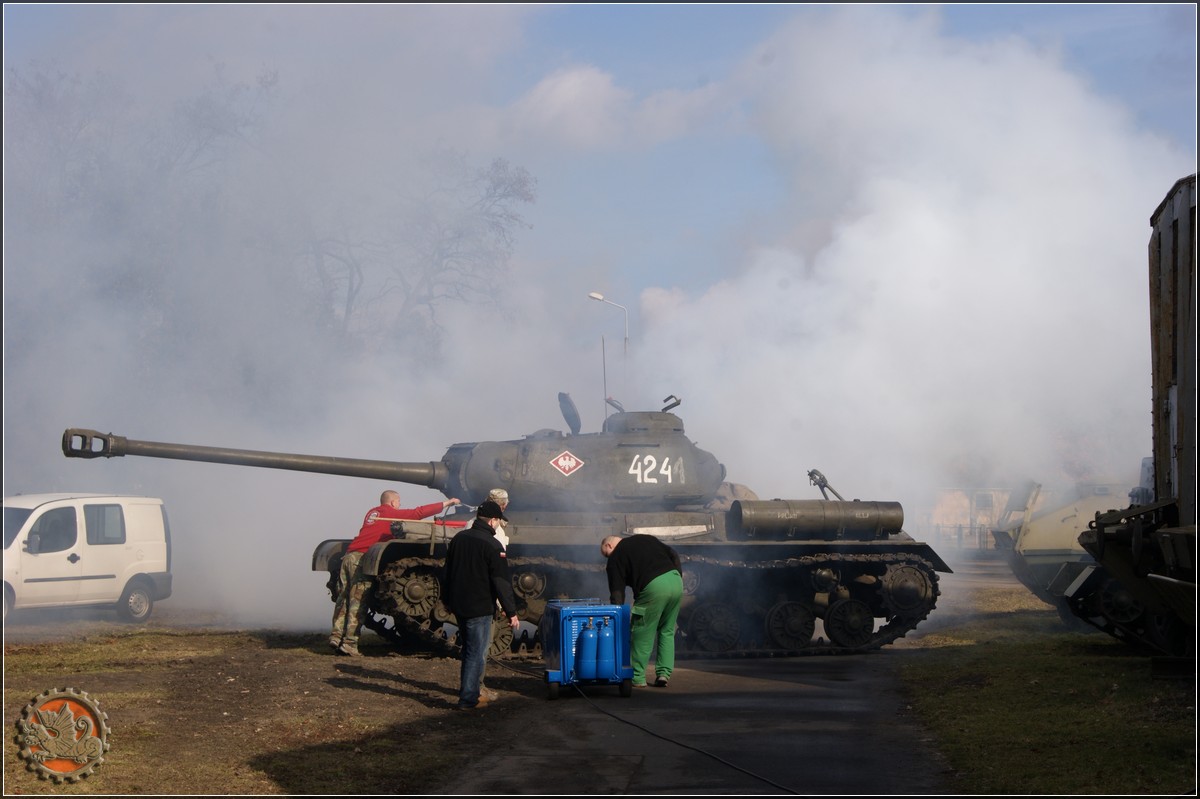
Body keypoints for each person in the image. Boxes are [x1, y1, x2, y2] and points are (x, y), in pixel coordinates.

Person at [330, 489, 461, 656]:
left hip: (350, 556)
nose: (400, 505)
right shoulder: (391, 513)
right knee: (358, 600)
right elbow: (418, 512)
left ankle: (336, 635)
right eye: (399, 502)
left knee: (344, 597)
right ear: (393, 502)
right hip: (362, 558)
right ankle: (349, 643)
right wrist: (447, 503)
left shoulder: (373, 513)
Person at [443, 499, 520, 709]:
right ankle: (468, 699)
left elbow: (447, 572)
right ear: (493, 520)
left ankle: (473, 693)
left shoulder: (459, 538)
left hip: (459, 604)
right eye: (498, 521)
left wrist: (446, 600)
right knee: (477, 653)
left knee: (469, 650)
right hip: (480, 606)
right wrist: (511, 611)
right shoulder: (493, 545)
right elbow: (501, 582)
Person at [600, 533, 683, 688]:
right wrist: (678, 577)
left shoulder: (615, 556)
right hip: (676, 581)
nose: (607, 558)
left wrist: (617, 615)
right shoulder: (645, 538)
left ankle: (636, 677)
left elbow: (617, 592)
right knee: (667, 630)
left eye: (606, 554)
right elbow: (673, 554)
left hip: (654, 587)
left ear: (609, 545)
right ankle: (664, 674)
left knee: (642, 631)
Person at [476, 488, 511, 701]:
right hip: (486, 596)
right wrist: (508, 607)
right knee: (482, 646)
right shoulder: (494, 533)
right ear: (503, 506)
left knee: (476, 647)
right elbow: (498, 574)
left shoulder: (470, 528)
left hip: (474, 594)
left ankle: (474, 687)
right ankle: (476, 689)